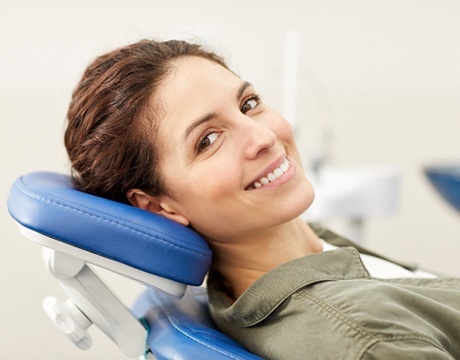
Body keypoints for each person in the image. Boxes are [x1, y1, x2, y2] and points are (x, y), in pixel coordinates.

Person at [65, 39, 460, 359]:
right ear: (158, 206)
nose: (264, 137)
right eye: (208, 140)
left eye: (248, 104)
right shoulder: (366, 338)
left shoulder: (307, 252)